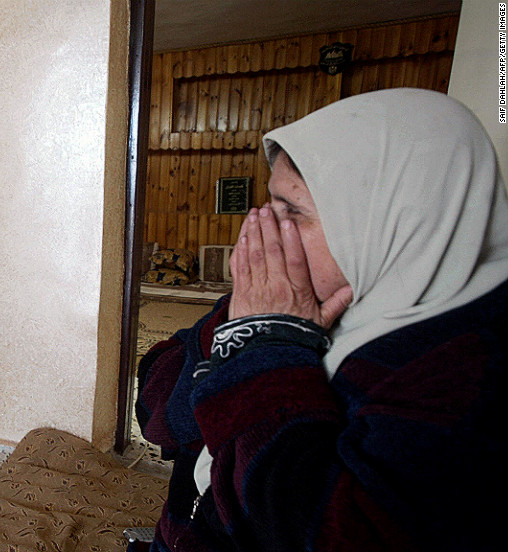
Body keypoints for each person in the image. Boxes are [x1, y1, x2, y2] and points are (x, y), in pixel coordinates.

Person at [135, 88, 507, 552]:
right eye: (269, 203)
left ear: (393, 223)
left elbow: (316, 530)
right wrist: (248, 330)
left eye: (292, 212)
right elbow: (153, 409)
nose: (261, 230)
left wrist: (265, 347)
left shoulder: (466, 371)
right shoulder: (283, 297)